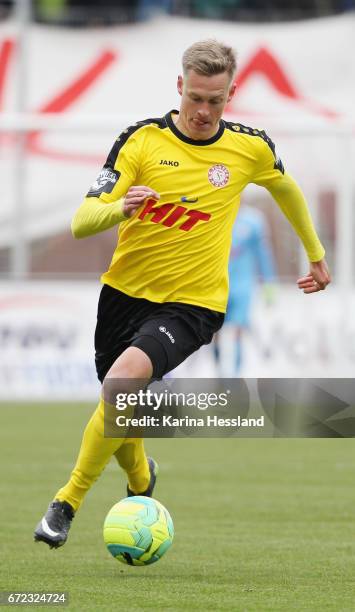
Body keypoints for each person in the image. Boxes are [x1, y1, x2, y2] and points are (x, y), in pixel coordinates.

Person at [34, 39, 330, 548]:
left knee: (124, 381)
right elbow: (83, 221)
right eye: (195, 97)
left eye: (215, 101)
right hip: (123, 296)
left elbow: (287, 188)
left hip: (194, 305)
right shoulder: (141, 142)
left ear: (231, 93)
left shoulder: (249, 147)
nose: (202, 110)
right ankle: (142, 480)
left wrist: (316, 253)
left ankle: (66, 503)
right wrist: (120, 208)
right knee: (119, 400)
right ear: (179, 87)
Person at [214, 204, 276, 375]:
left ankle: (235, 374)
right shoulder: (215, 214)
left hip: (243, 285)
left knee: (238, 328)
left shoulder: (254, 220)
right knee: (214, 330)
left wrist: (269, 284)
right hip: (216, 285)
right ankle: (219, 371)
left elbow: (263, 254)